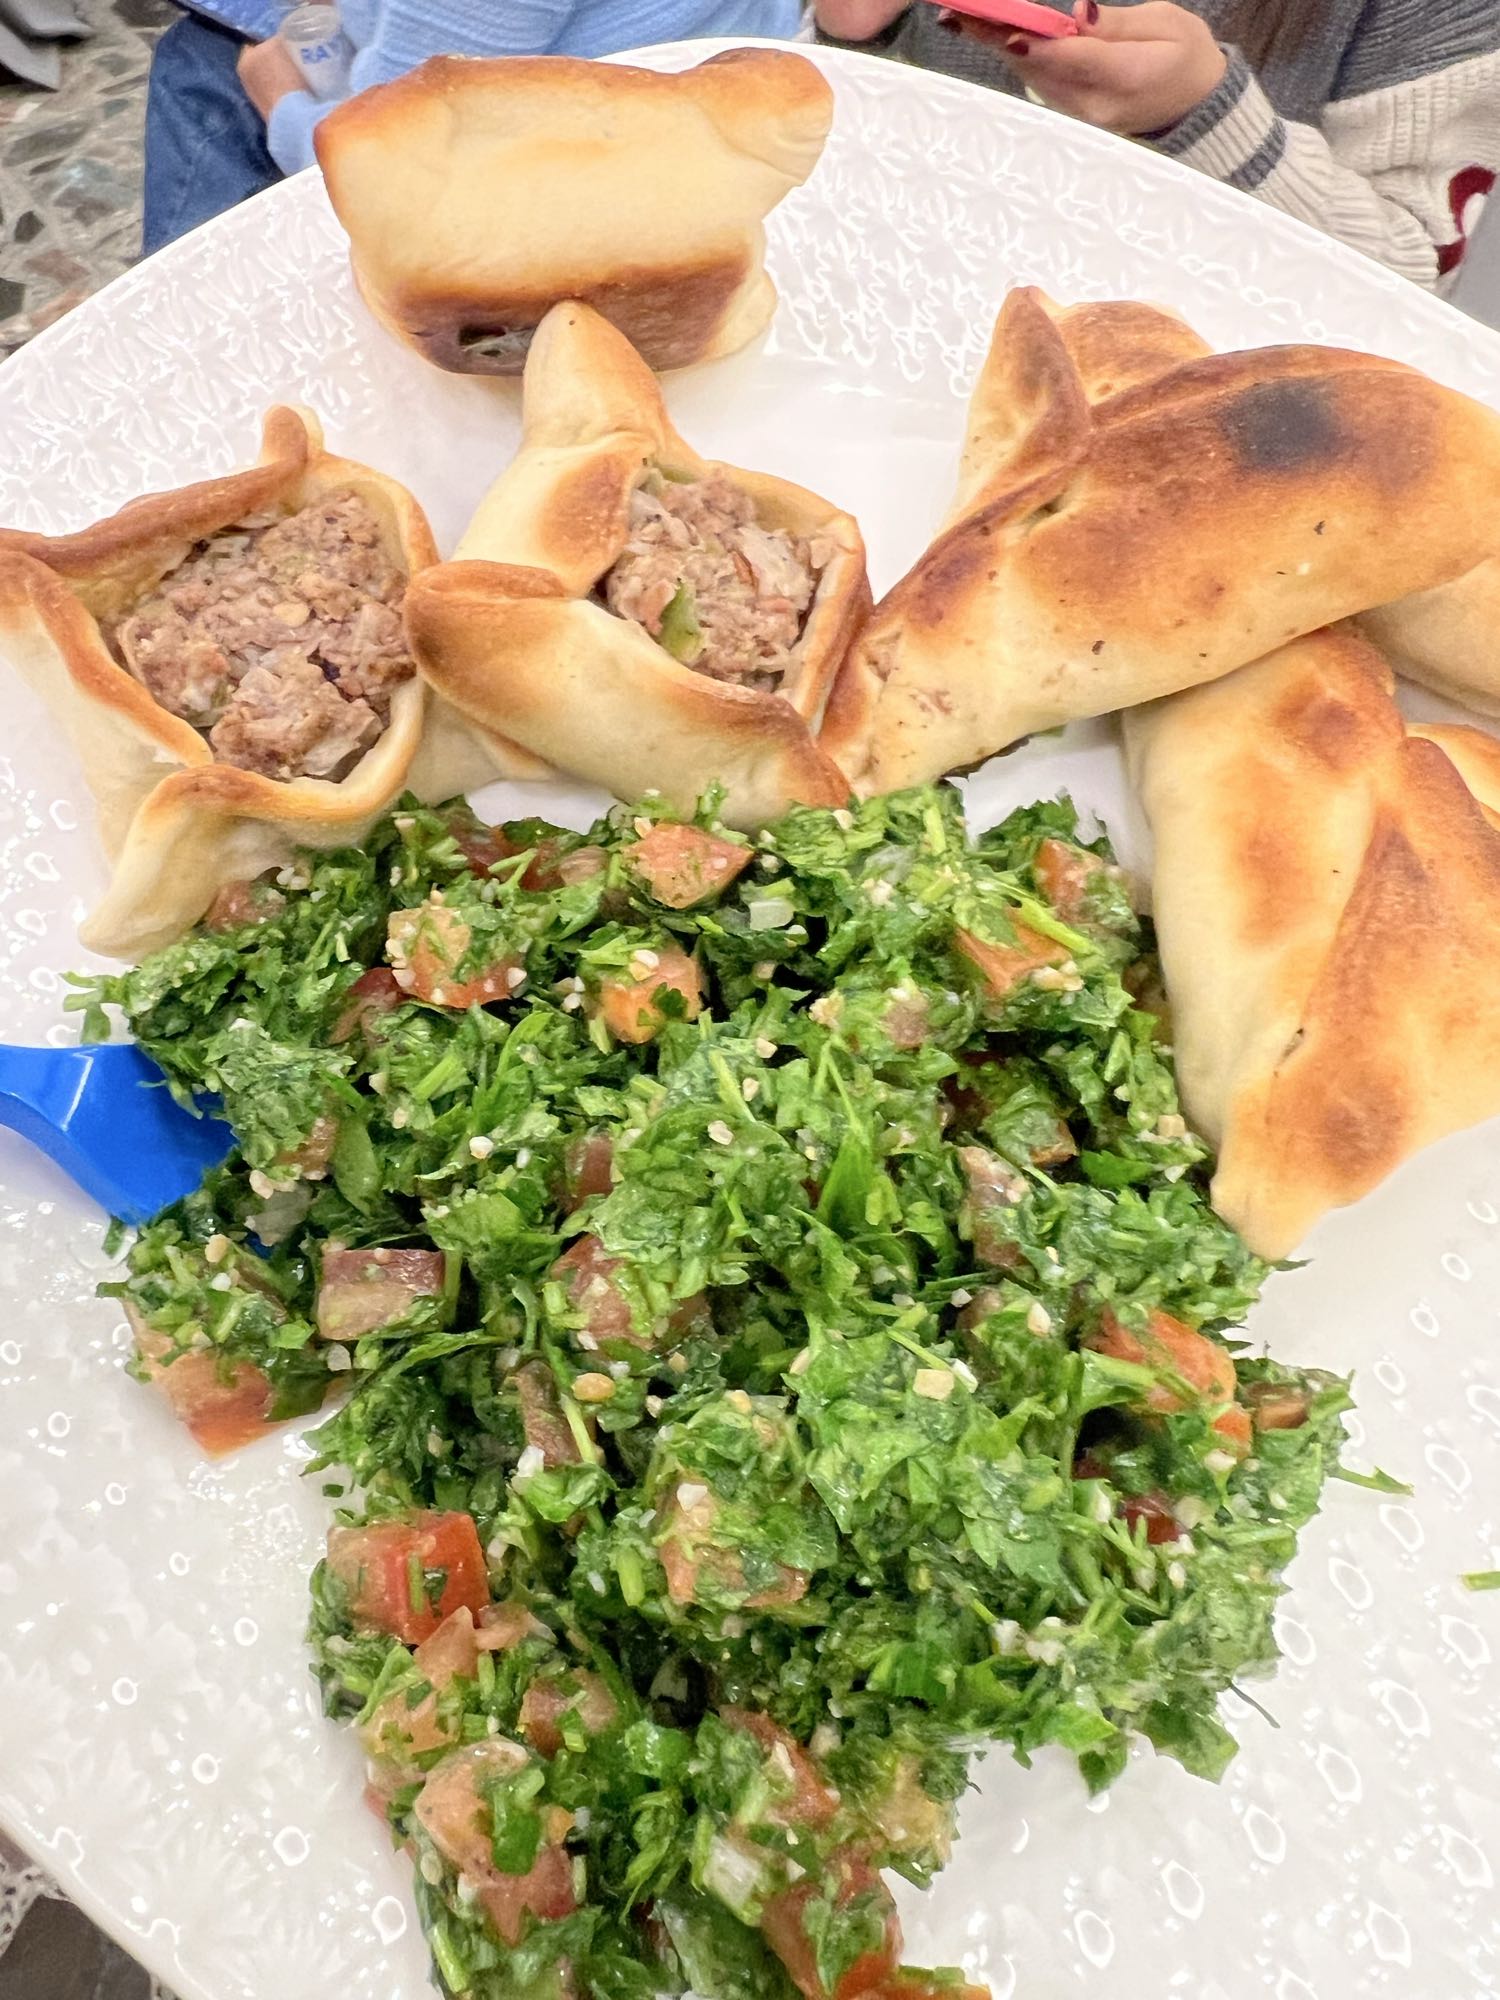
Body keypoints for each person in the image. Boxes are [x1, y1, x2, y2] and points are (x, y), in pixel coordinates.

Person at [813, 0, 1500, 290]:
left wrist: (1205, 119)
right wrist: (848, 40)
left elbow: (1411, 271)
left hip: (1189, 408)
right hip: (901, 300)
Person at [143, 0, 804, 255]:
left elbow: (400, 169)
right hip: (718, 76)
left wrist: (283, 110)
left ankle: (182, 399)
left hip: (573, 186)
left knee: (200, 67)